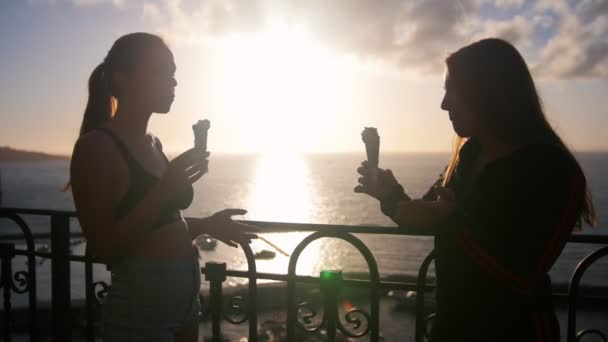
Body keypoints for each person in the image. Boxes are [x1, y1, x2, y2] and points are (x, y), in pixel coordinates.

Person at [355, 38, 596, 341]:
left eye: (451, 91)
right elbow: (429, 213)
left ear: (486, 92)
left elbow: (521, 274)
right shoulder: (468, 157)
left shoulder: (552, 170)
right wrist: (389, 194)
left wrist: (452, 220)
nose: (444, 104)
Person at [69, 32, 257, 342]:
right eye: (160, 71)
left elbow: (157, 225)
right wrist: (165, 189)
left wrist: (206, 225)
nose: (173, 82)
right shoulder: (97, 147)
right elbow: (103, 247)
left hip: (184, 302)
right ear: (122, 79)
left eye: (173, 73)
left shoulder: (153, 143)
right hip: (142, 308)